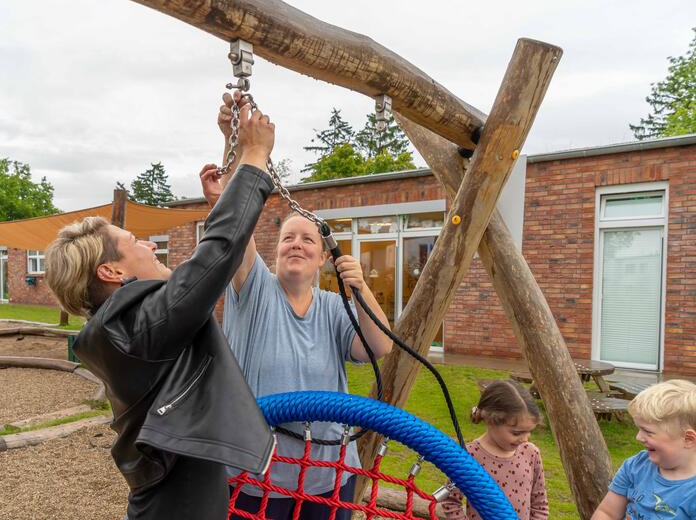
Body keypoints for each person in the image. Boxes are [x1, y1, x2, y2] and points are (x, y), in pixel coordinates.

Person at [44, 95, 277, 520]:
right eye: (135, 243)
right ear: (111, 272)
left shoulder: (126, 329)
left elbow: (210, 261)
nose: (150, 245)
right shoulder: (136, 329)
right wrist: (256, 154)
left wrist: (237, 149)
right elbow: (216, 253)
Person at [200, 97, 394, 520]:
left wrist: (361, 289)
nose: (297, 244)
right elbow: (235, 229)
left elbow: (378, 348)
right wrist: (233, 142)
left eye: (309, 239)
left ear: (323, 258)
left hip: (329, 474)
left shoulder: (333, 305)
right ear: (274, 253)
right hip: (257, 475)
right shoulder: (253, 290)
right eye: (288, 238)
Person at [442, 380, 548, 520]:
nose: (525, 439)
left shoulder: (531, 453)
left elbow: (539, 503)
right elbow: (450, 502)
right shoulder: (469, 456)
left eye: (529, 432)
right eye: (517, 433)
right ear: (491, 420)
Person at [591, 379, 696, 520]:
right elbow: (607, 513)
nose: (638, 437)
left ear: (688, 439)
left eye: (648, 431)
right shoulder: (636, 466)